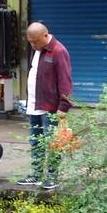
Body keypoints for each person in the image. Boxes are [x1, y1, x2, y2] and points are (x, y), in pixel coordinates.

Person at [17, 22, 73, 190]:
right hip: (35, 104)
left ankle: (52, 176)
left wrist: (63, 107)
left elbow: (65, 82)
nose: (33, 45)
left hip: (50, 107)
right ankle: (35, 174)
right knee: (36, 141)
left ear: (45, 35)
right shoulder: (38, 50)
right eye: (30, 42)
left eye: (35, 41)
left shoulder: (58, 51)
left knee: (52, 142)